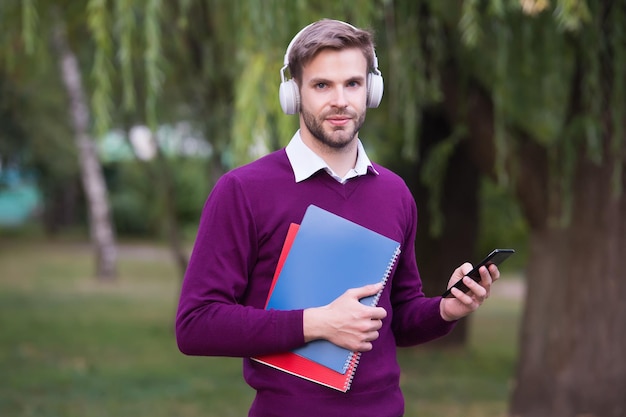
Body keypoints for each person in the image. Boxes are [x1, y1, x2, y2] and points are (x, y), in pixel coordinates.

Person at [176, 18, 500, 417]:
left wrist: (445, 310)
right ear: (293, 93)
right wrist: (315, 323)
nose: (340, 101)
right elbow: (196, 325)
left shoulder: (394, 193)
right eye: (321, 85)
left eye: (352, 83)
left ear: (372, 90)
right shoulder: (242, 191)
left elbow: (397, 315)